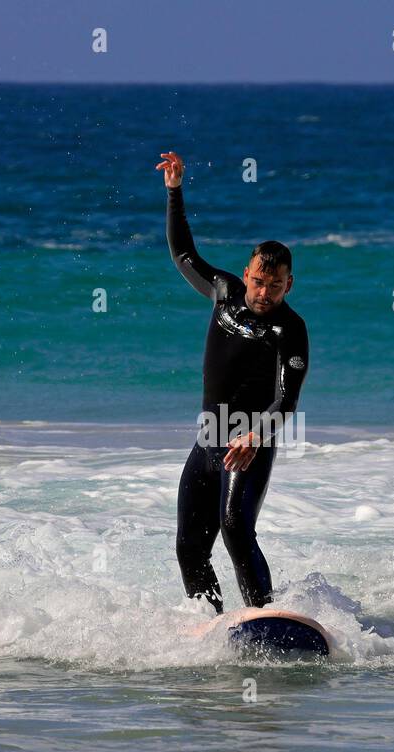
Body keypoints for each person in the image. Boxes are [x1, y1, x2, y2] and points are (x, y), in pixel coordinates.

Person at [156, 150, 309, 615]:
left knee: (235, 529)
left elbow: (287, 399)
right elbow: (183, 254)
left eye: (276, 285)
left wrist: (257, 435)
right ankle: (213, 623)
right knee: (188, 546)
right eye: (259, 281)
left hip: (248, 442)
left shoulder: (290, 329)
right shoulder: (223, 293)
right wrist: (174, 191)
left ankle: (265, 620)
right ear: (246, 275)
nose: (265, 293)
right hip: (207, 441)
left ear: (289, 285)